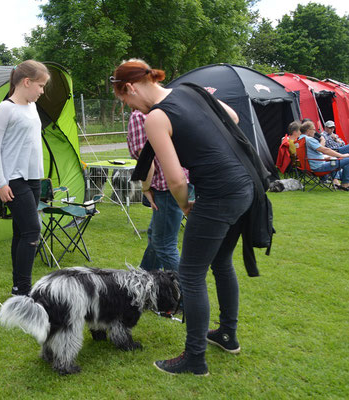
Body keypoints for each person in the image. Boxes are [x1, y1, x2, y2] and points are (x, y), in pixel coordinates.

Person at [112, 59, 256, 376]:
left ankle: (194, 358)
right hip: (246, 187)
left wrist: (186, 205)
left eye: (126, 101)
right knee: (220, 263)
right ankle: (227, 335)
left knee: (190, 275)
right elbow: (231, 116)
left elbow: (176, 180)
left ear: (131, 87)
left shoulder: (156, 118)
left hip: (217, 195)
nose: (130, 107)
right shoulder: (191, 91)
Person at [0, 60, 50, 296]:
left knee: (21, 232)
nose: (42, 91)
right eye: (40, 85)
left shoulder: (32, 107)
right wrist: (0, 183)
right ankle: (23, 290)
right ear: (26, 82)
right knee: (33, 231)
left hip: (33, 179)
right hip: (14, 179)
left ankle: (17, 287)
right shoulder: (5, 109)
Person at [127, 109, 188, 273]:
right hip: (183, 182)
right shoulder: (167, 110)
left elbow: (148, 162)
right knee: (156, 236)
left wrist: (145, 188)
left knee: (165, 245)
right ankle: (145, 278)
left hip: (166, 188)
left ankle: (185, 295)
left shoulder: (138, 116)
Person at [298, 120, 349, 190]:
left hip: (310, 167)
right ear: (308, 130)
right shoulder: (309, 140)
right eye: (314, 129)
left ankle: (340, 181)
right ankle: (345, 184)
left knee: (340, 160)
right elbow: (325, 150)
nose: (315, 132)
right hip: (319, 167)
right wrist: (342, 155)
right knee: (347, 159)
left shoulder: (300, 139)